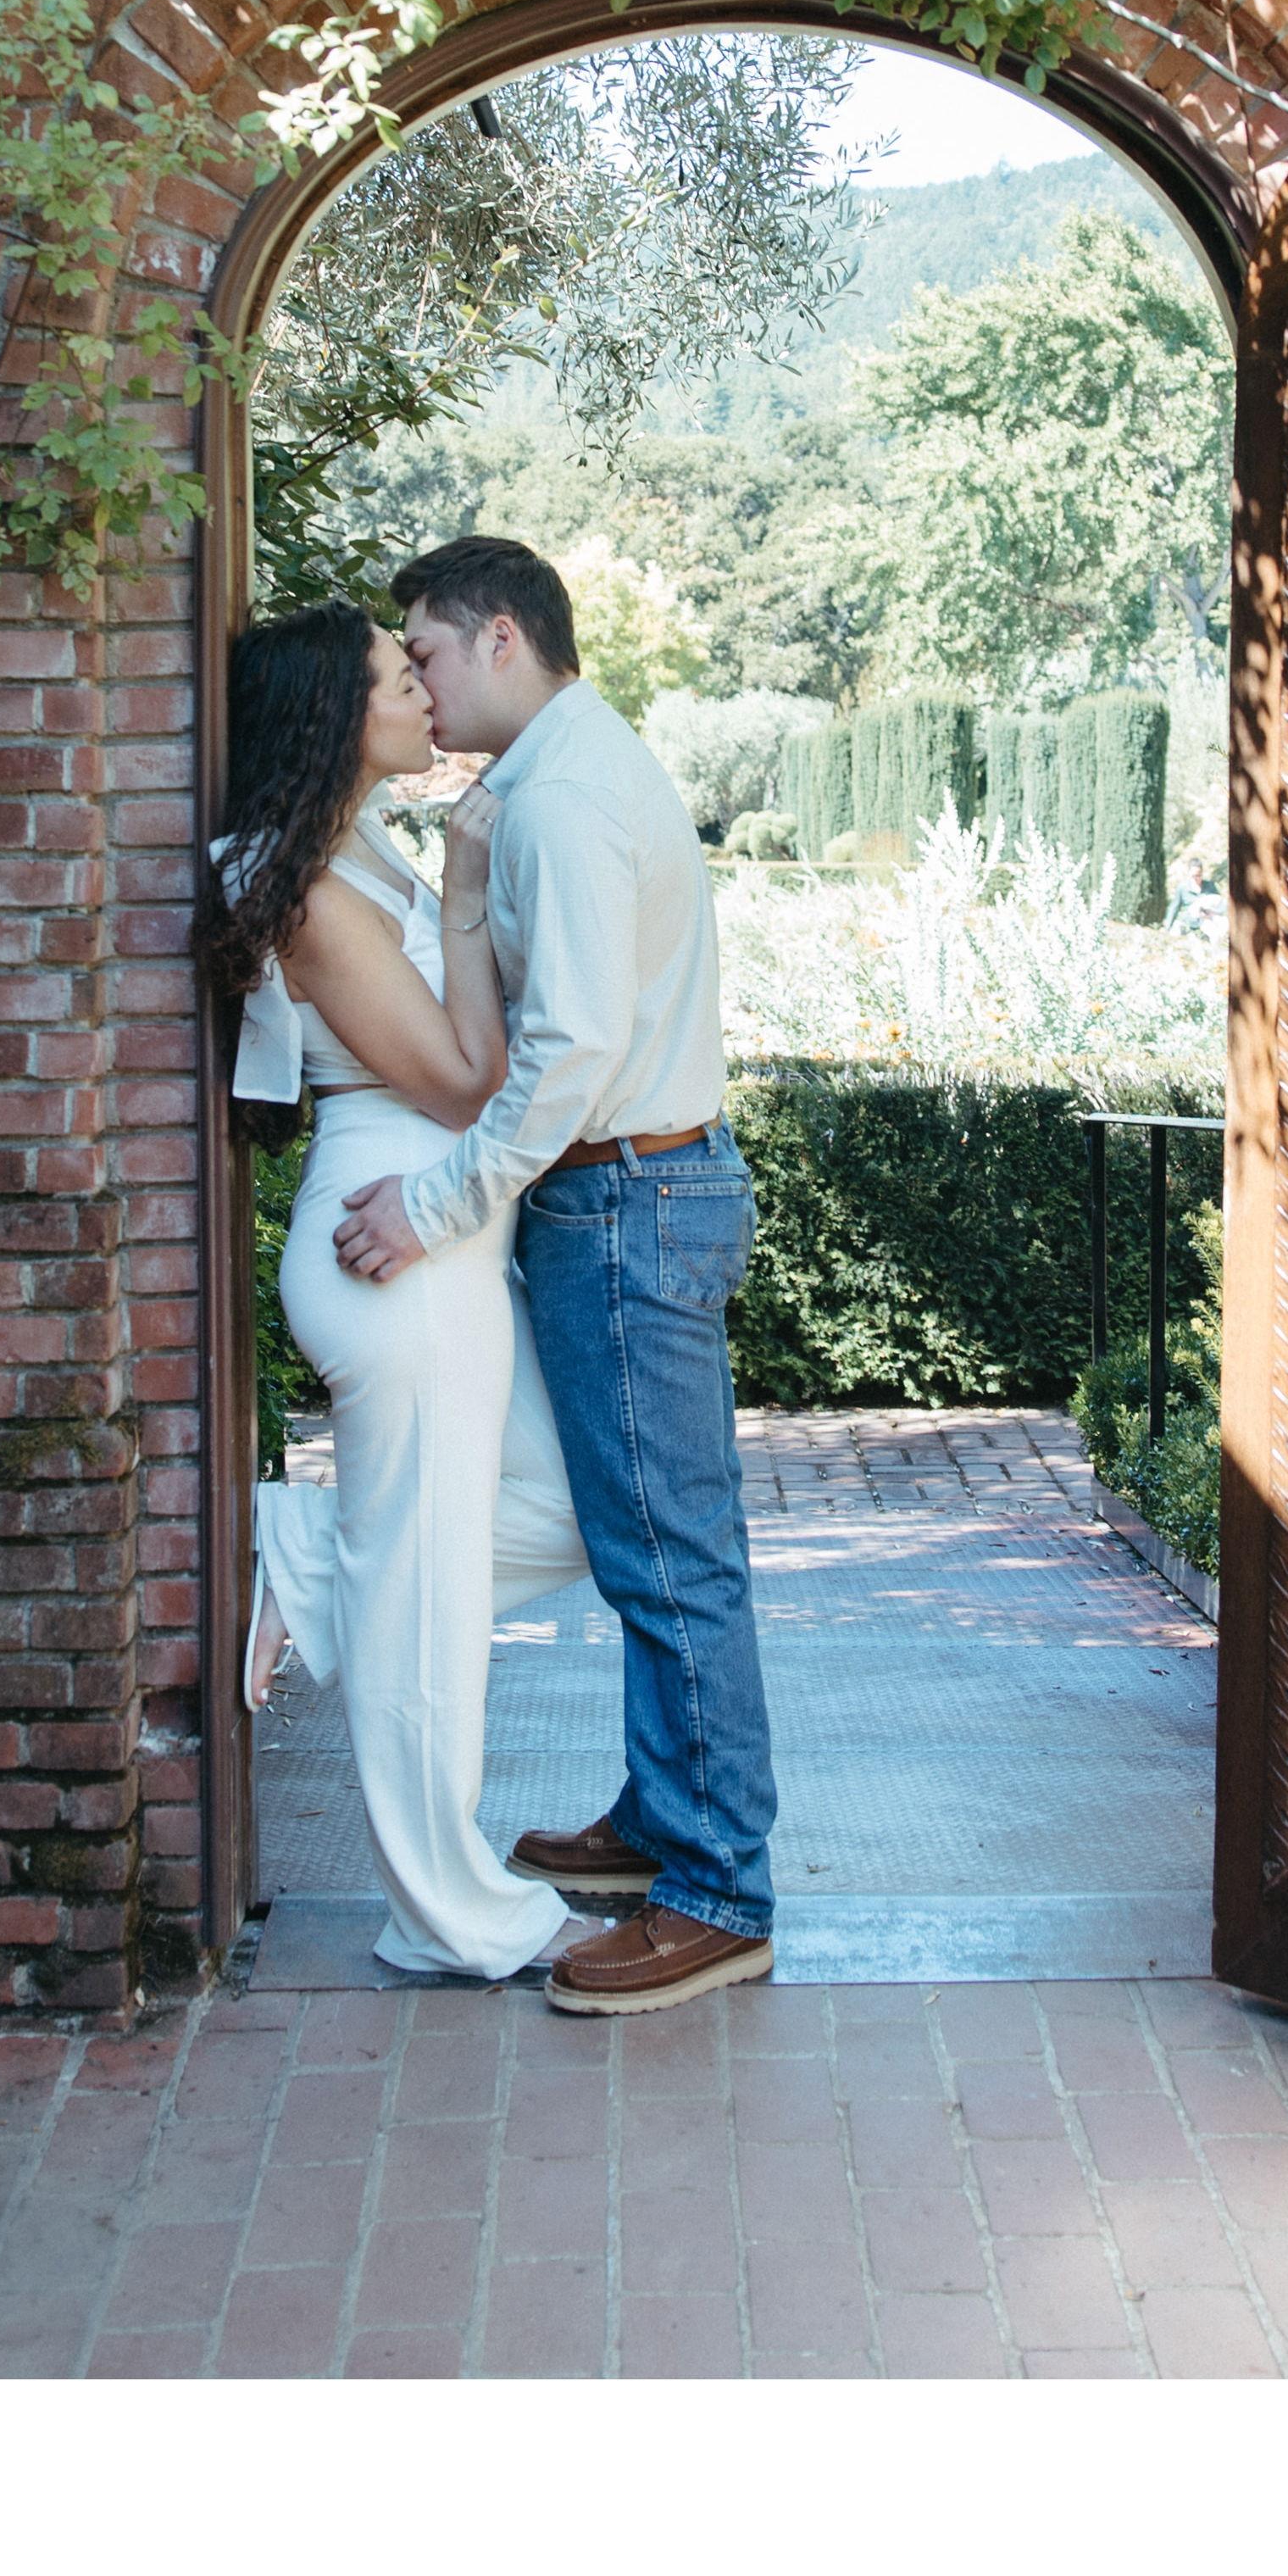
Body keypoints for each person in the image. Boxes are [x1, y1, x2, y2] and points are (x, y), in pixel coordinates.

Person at [330, 535, 777, 2017]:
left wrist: (437, 1205)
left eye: (428, 653)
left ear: (503, 639)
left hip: (628, 1197)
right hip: (627, 1195)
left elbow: (572, 1046)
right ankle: (665, 1821)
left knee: (670, 1557)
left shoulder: (567, 799)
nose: (420, 684)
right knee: (651, 1542)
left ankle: (718, 1892)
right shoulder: (548, 781)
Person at [198, 606, 579, 1986]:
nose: (423, 688)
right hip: (391, 1244)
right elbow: (467, 1080)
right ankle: (444, 1913)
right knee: (425, 1616)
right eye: (394, 674)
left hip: (443, 1246)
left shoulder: (363, 847)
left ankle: (310, 1556)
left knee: (570, 1514)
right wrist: (470, 892)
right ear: (331, 714)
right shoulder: (308, 890)